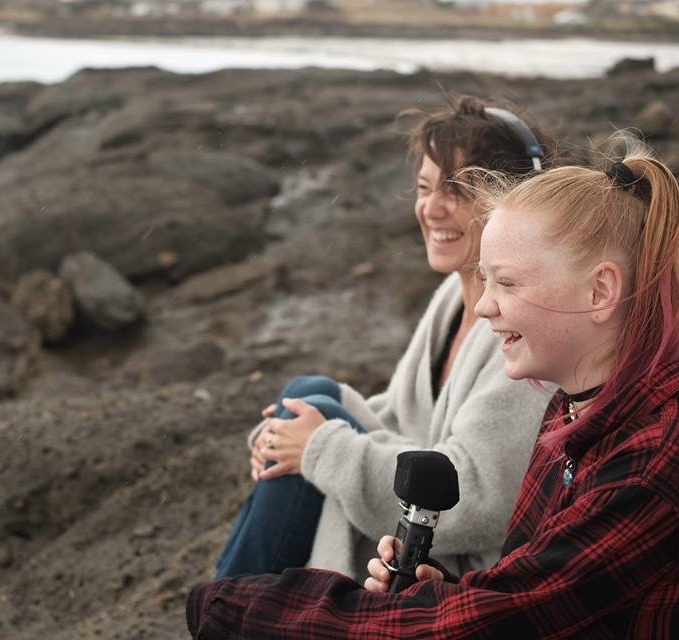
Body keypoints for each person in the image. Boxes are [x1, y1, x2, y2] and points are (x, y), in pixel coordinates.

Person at [188, 154, 679, 638]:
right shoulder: (574, 412)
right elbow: (527, 586)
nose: (485, 305)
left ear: (600, 291)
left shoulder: (657, 463)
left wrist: (245, 608)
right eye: (483, 280)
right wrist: (440, 587)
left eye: (507, 282)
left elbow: (491, 624)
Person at [213, 96, 555, 581]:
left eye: (459, 190)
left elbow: (478, 498)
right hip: (412, 515)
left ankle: (228, 606)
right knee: (308, 397)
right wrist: (289, 437)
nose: (433, 208)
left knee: (319, 423)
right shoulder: (451, 299)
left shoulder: (519, 324)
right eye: (424, 188)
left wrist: (319, 448)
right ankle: (231, 602)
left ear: (516, 200)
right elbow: (399, 415)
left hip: (450, 560)